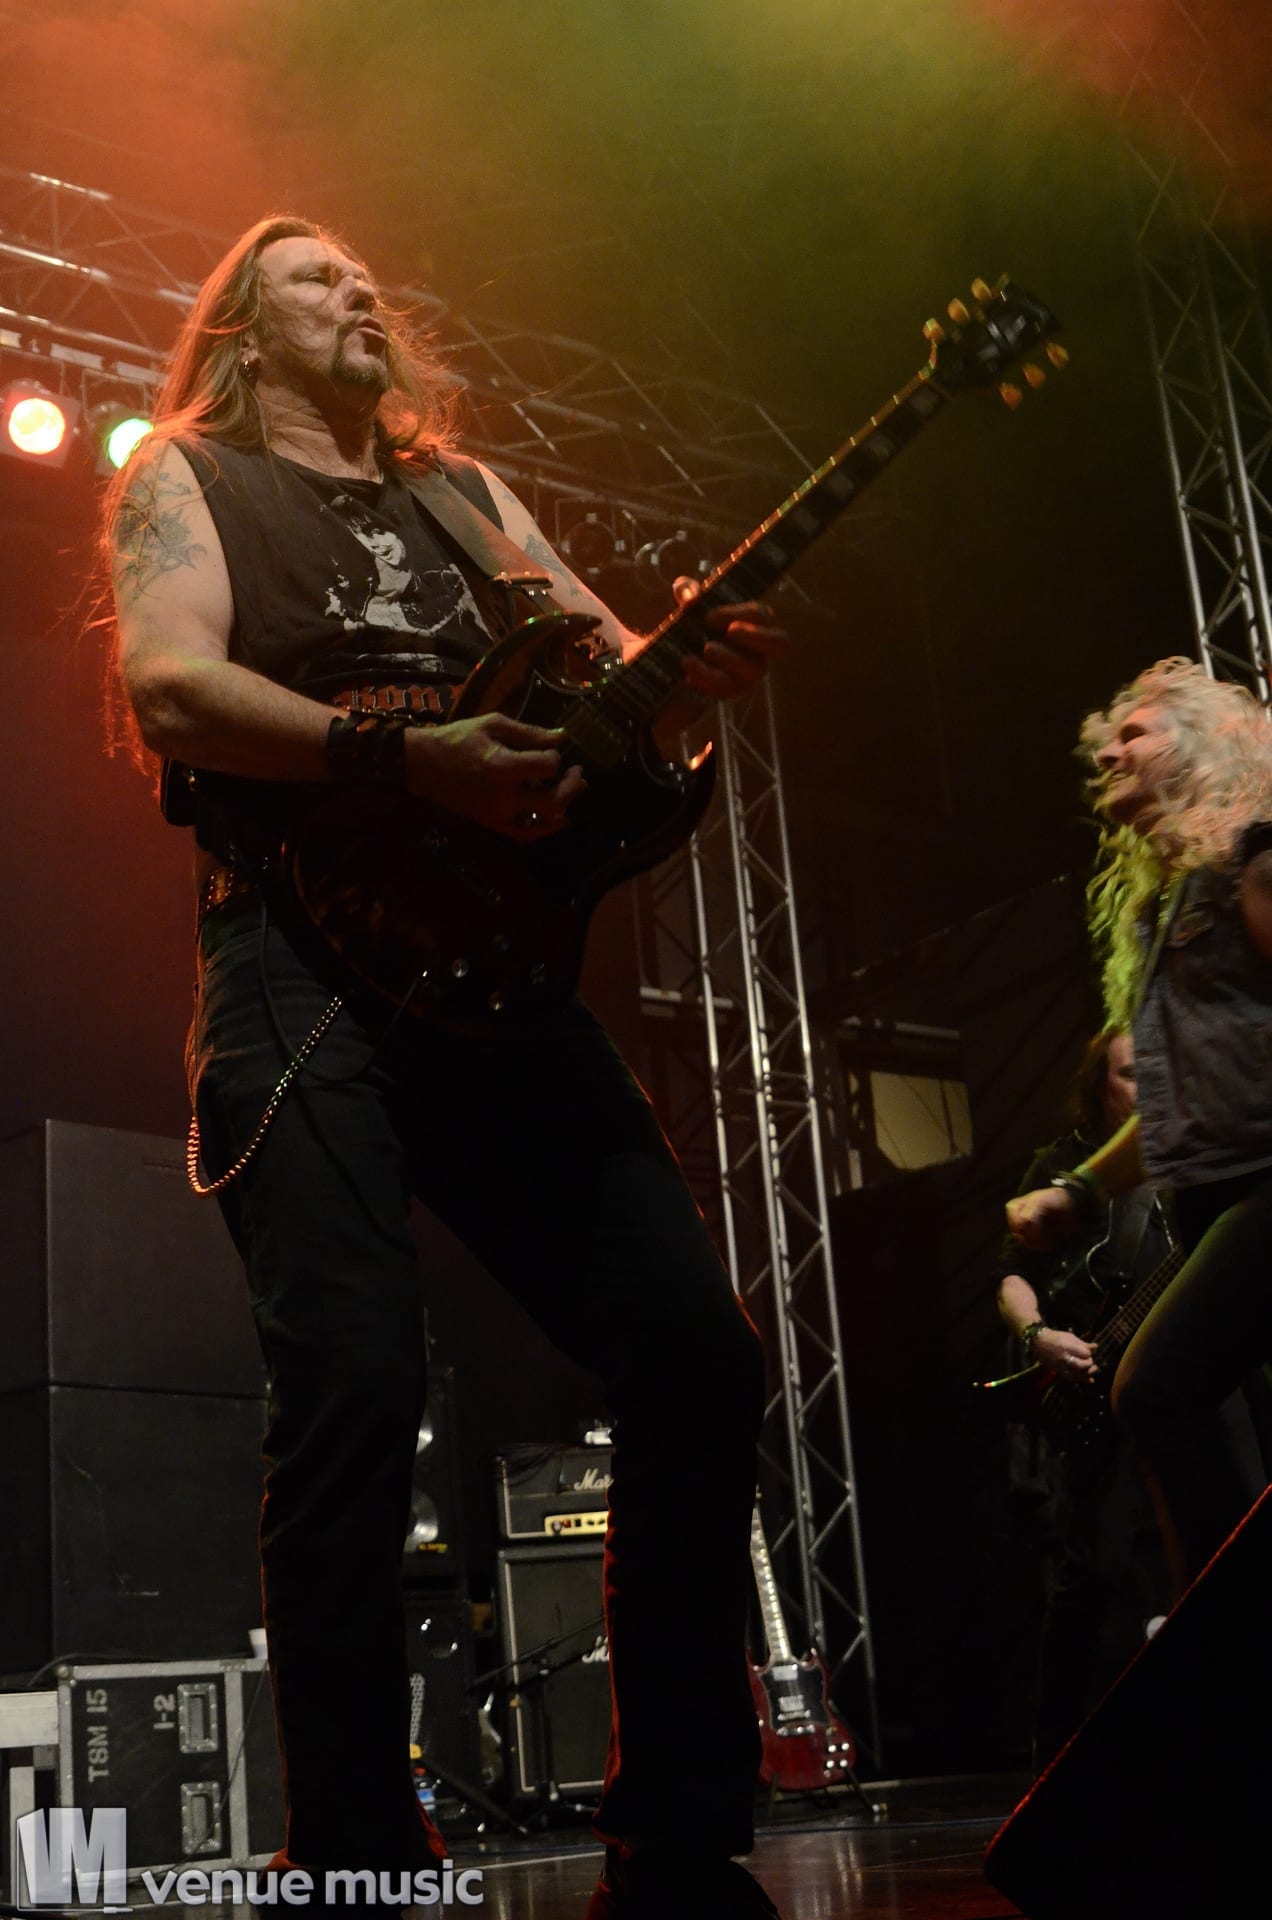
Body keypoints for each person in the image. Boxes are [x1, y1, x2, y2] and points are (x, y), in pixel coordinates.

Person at [106, 215, 790, 1920]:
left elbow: (612, 684)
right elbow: (170, 687)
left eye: (364, 277)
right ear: (240, 330)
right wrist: (404, 761)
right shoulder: (189, 473)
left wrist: (681, 687)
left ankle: (681, 1832)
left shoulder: (471, 498)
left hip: (498, 980)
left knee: (696, 1359)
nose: (358, 289)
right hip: (298, 962)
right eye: (314, 274)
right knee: (351, 1385)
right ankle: (353, 1854)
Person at [1007, 657, 1272, 1602]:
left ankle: (1235, 1636)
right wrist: (1078, 1190)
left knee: (1155, 1389)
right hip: (1217, 1201)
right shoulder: (1165, 906)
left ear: (1196, 749)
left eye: (1135, 734)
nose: (1110, 753)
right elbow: (1171, 1107)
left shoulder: (1250, 860)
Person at [994, 1029, 1173, 1764]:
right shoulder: (1063, 1164)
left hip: (1182, 1377)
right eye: (1130, 1074)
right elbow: (1011, 1276)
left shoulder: (1189, 1152)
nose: (1146, 1084)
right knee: (1093, 1570)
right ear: (1100, 1086)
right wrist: (1038, 1335)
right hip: (1097, 1393)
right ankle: (1056, 1751)